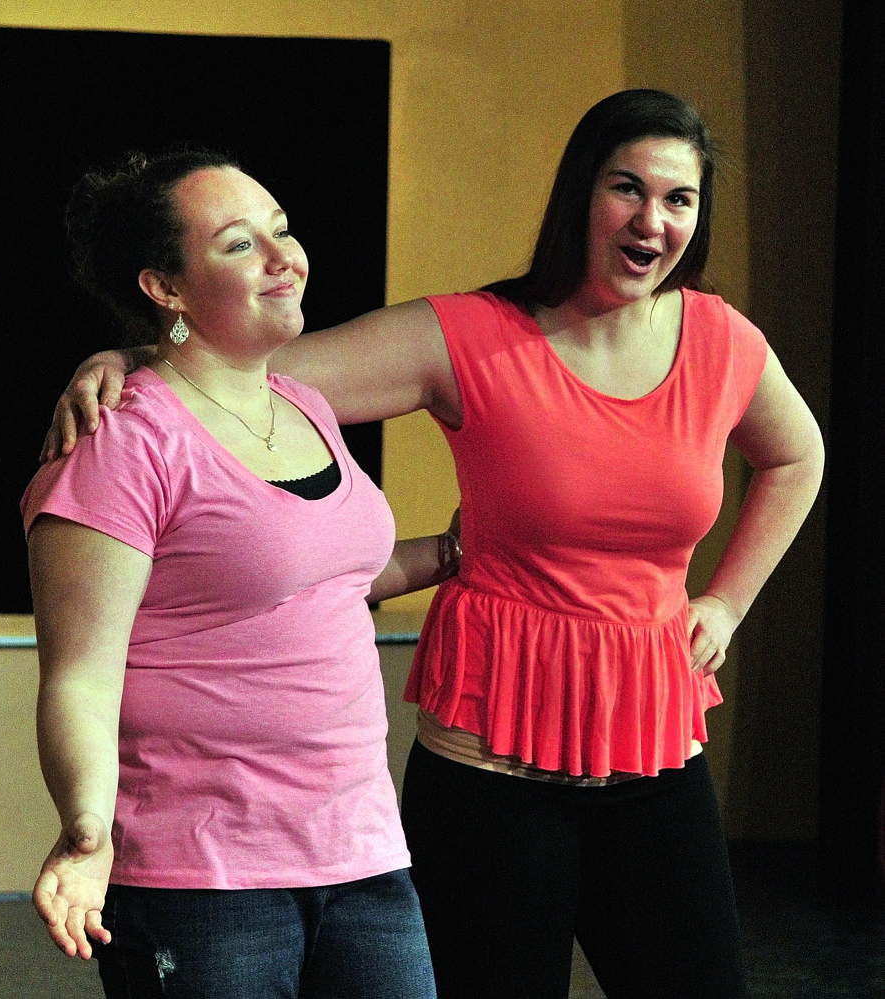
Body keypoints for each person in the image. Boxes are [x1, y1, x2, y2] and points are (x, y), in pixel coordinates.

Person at [41, 91, 824, 999]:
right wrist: (123, 359)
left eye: (679, 198)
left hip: (651, 740)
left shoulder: (722, 341)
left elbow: (797, 454)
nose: (653, 218)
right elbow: (238, 366)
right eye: (627, 188)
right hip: (494, 752)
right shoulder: (472, 334)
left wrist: (727, 599)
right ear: (583, 194)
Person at [22, 149, 450, 999]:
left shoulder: (307, 408)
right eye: (238, 244)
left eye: (281, 231)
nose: (282, 256)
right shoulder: (122, 443)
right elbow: (80, 675)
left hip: (362, 852)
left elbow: (320, 584)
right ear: (166, 289)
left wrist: (455, 552)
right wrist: (87, 829)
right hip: (201, 877)